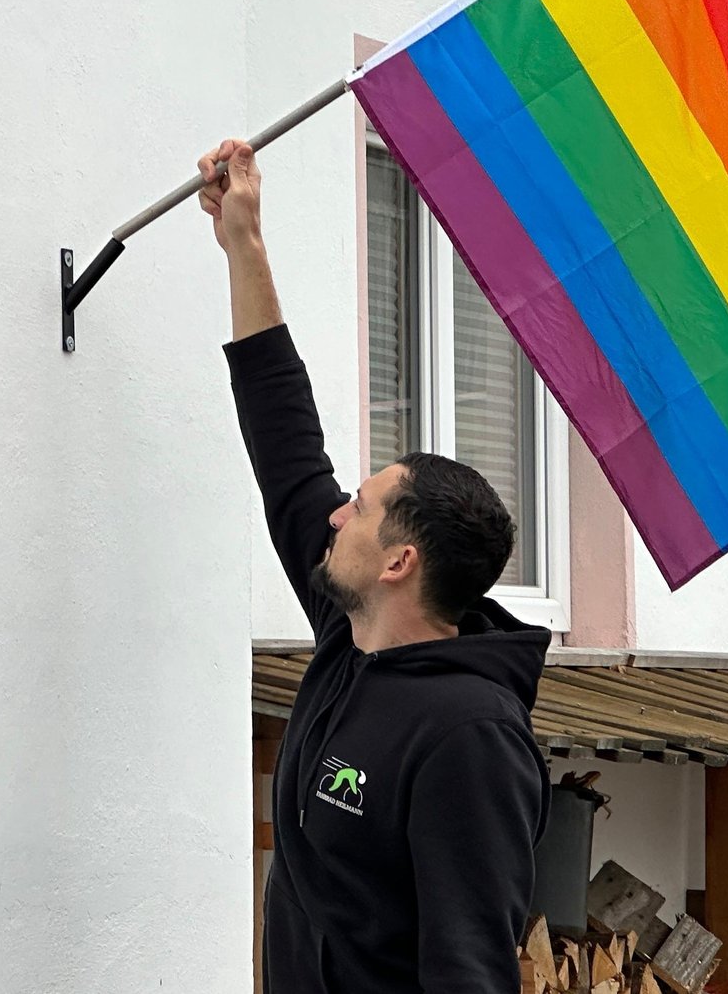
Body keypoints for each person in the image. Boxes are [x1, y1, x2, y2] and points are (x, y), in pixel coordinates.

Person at [201, 138, 551, 993]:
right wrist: (244, 243)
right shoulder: (346, 639)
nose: (335, 513)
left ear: (400, 559)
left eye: (358, 506)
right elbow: (285, 443)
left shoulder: (470, 736)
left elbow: (468, 970)